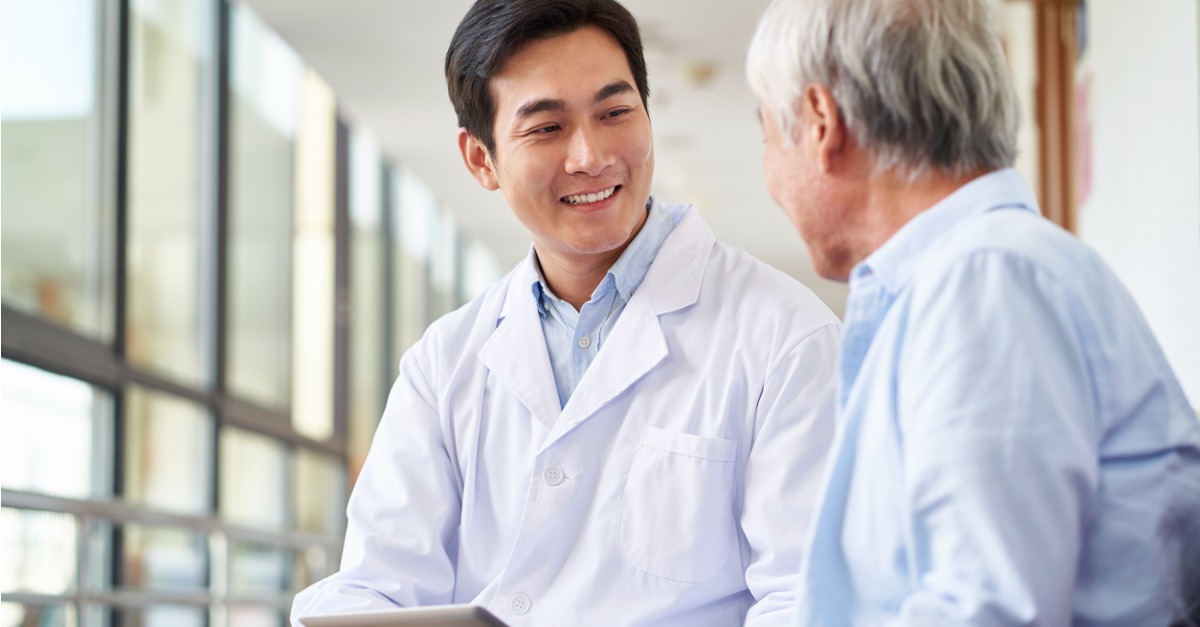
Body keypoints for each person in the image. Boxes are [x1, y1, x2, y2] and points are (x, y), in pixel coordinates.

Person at [292, 0, 842, 624]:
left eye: (614, 113)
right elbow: (376, 585)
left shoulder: (786, 336)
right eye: (547, 128)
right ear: (481, 159)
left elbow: (811, 600)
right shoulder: (444, 364)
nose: (591, 156)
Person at [744, 0, 1200, 625]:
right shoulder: (978, 279)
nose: (770, 172)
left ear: (821, 122)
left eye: (767, 130)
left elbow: (987, 610)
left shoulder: (984, 283)